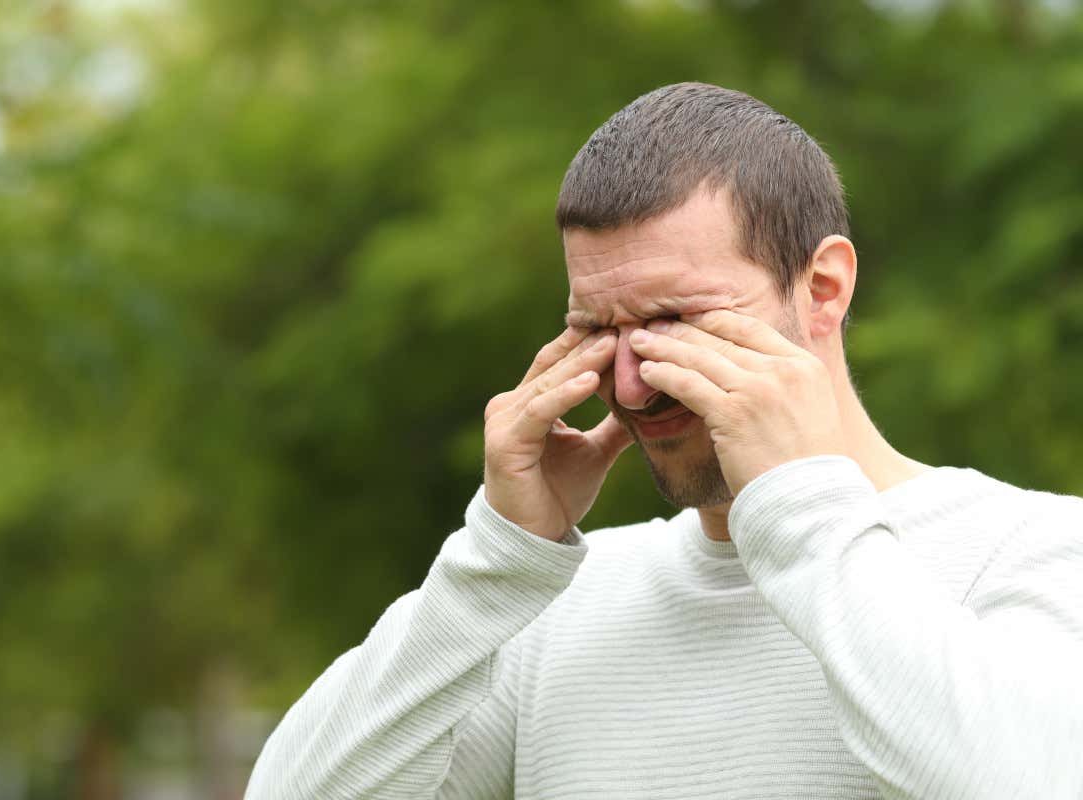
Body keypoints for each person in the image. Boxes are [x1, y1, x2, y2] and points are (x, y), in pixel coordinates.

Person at [245, 83, 1083, 799]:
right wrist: (497, 560)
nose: (634, 384)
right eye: (598, 330)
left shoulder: (1035, 552)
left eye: (674, 322)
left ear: (822, 288)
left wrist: (801, 504)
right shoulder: (553, 606)